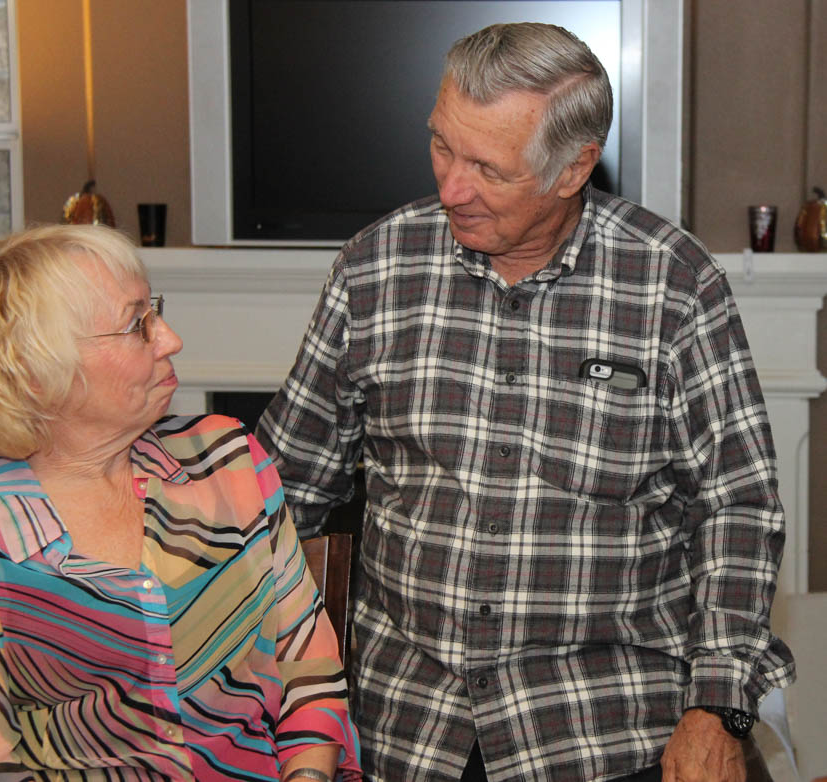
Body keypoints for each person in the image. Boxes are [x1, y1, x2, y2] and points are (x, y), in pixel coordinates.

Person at [255, 22, 794, 782]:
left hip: (608, 726)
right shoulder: (375, 267)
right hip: (408, 728)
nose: (450, 189)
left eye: (488, 167)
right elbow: (284, 488)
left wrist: (719, 706)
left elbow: (739, 504)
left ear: (575, 167)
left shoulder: (673, 283)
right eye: (442, 146)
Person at [0, 225, 361, 782]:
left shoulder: (227, 460)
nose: (172, 339)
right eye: (139, 325)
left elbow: (309, 665)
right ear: (39, 374)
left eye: (155, 309)